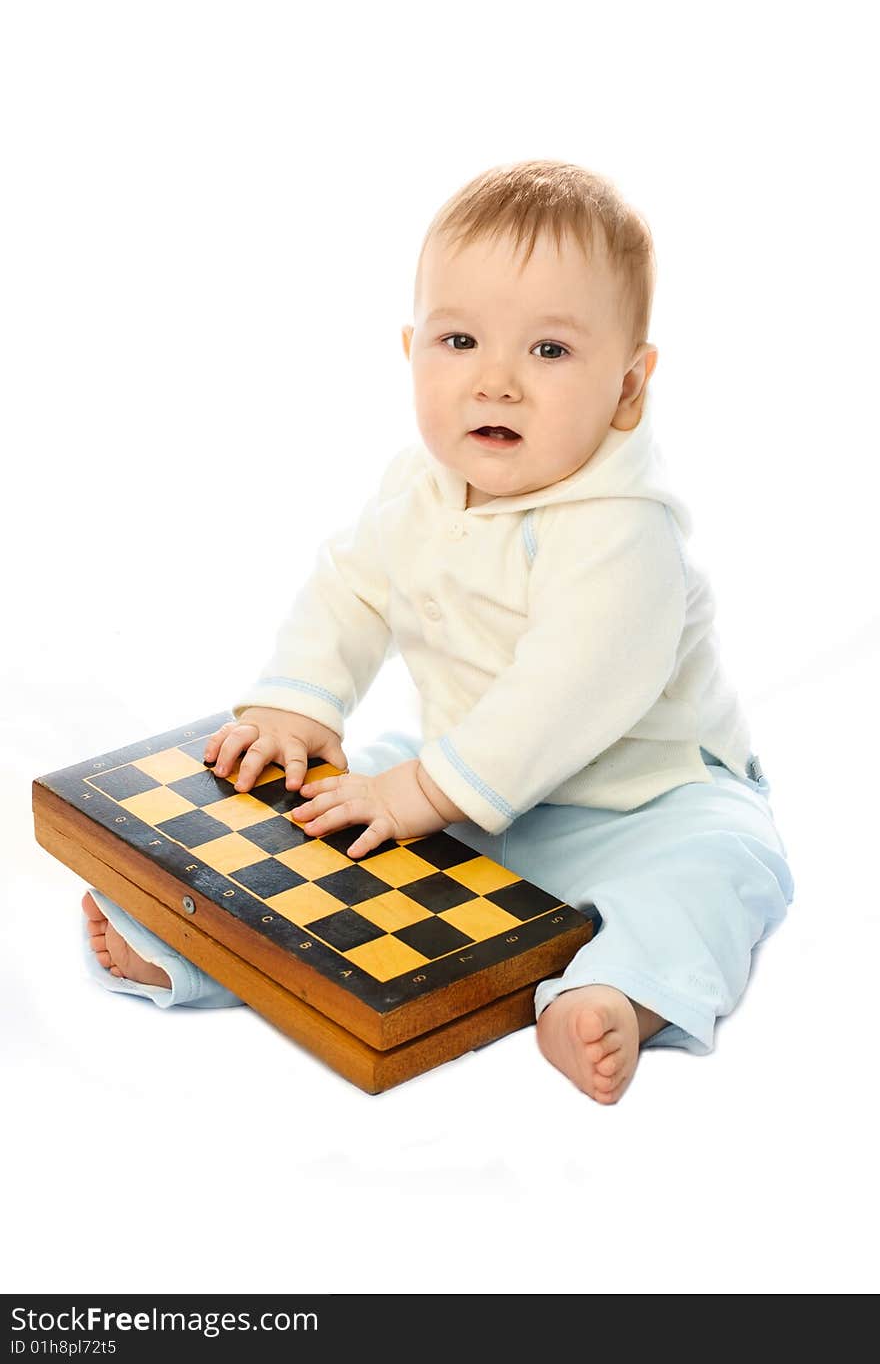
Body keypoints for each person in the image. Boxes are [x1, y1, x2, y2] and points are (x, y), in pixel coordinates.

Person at [82, 157, 794, 1103]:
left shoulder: (624, 529)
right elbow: (353, 587)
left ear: (629, 385)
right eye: (460, 340)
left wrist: (423, 789)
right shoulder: (415, 490)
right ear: (411, 348)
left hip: (646, 799)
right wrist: (302, 703)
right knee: (326, 819)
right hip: (464, 775)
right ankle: (207, 946)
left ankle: (625, 990)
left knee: (722, 870)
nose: (495, 382)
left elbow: (567, 687)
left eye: (549, 351)